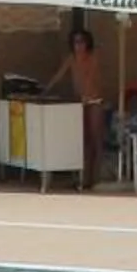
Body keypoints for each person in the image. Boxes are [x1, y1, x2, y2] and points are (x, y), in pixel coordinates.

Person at [47, 25, 107, 185]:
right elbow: (60, 75)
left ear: (88, 43)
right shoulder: (71, 59)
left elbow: (93, 79)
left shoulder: (92, 58)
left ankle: (97, 175)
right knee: (84, 140)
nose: (78, 45)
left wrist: (90, 94)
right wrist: (46, 88)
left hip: (94, 101)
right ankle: (85, 177)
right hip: (80, 102)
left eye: (81, 42)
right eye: (76, 42)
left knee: (96, 139)